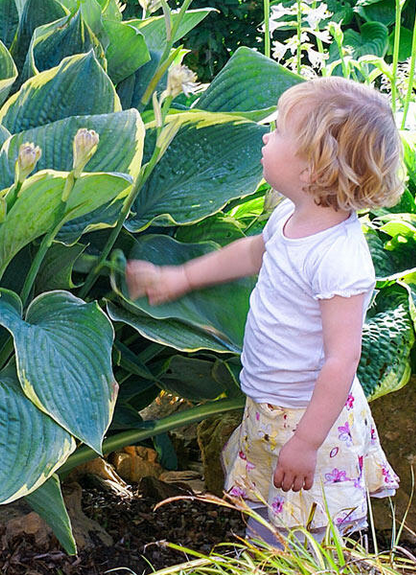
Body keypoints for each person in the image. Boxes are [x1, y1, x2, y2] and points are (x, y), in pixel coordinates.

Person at [126, 77, 404, 545]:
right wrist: (182, 277)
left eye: (277, 131)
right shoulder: (291, 217)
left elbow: (343, 358)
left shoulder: (338, 260)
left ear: (313, 170)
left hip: (307, 419)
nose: (264, 136)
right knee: (271, 516)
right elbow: (255, 253)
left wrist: (307, 443)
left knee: (299, 533)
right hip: (271, 405)